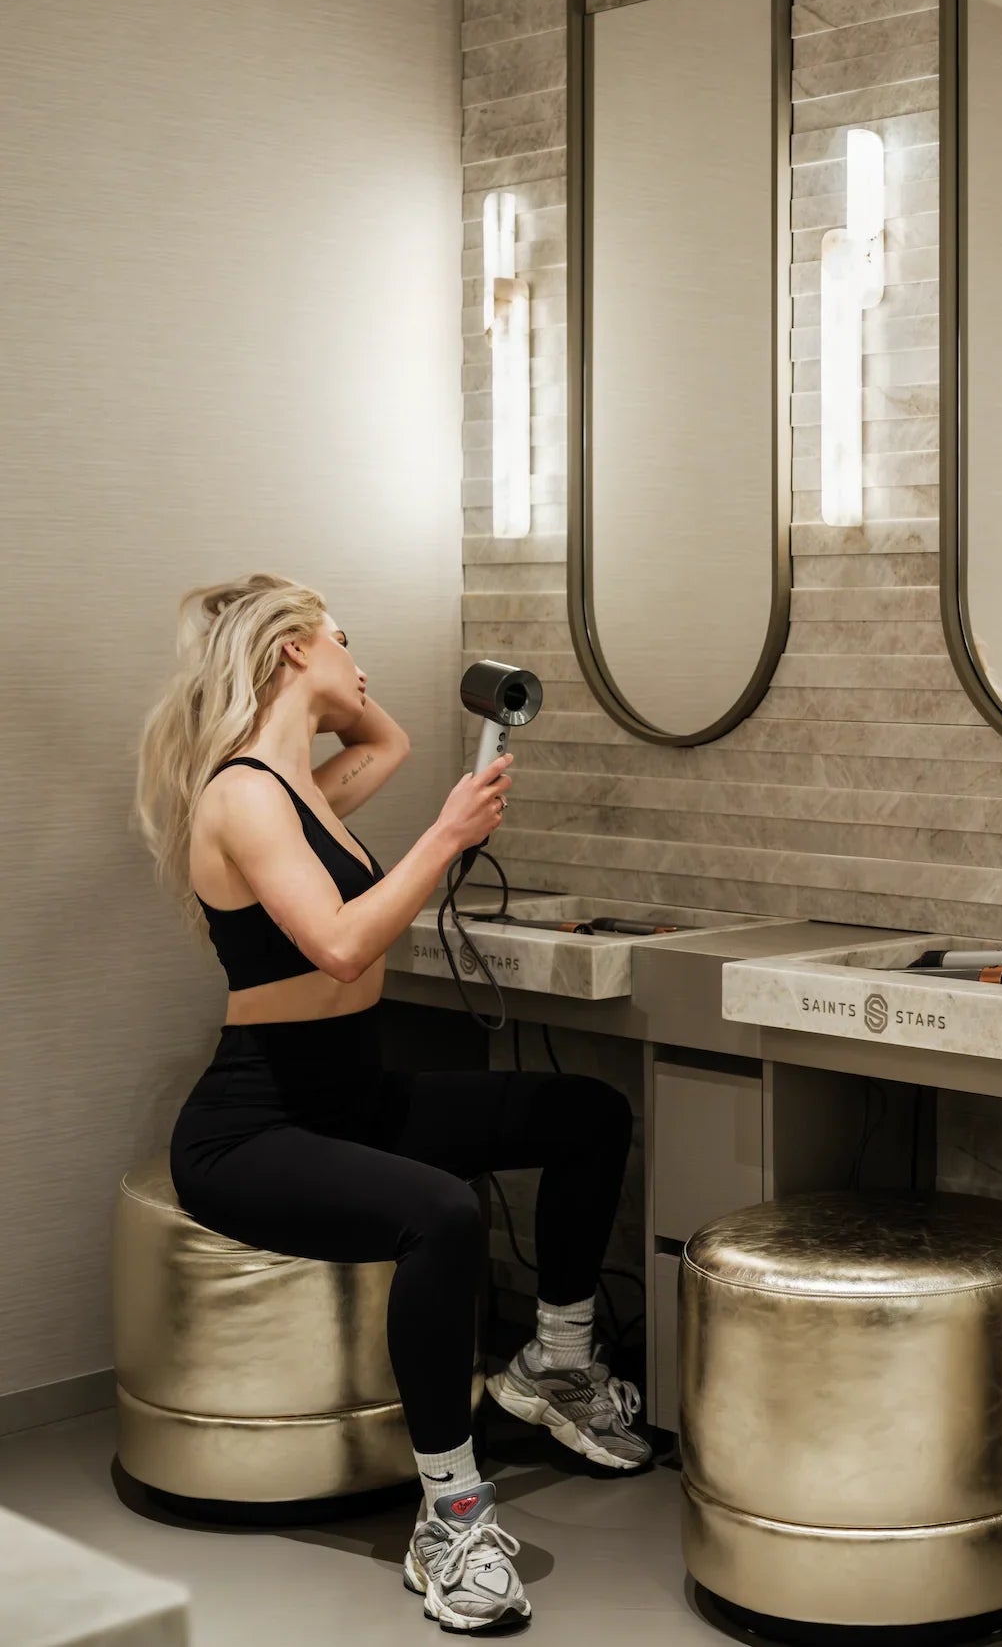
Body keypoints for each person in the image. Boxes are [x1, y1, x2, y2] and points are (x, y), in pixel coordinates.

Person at [135, 573, 649, 1633]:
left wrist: (318, 658)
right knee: (442, 1213)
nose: (360, 662)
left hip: (352, 1094)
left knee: (586, 1113)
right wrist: (448, 835)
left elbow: (392, 743)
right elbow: (339, 942)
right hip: (256, 1123)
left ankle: (557, 1366)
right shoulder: (241, 795)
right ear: (286, 654)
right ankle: (451, 1516)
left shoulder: (306, 788)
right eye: (343, 639)